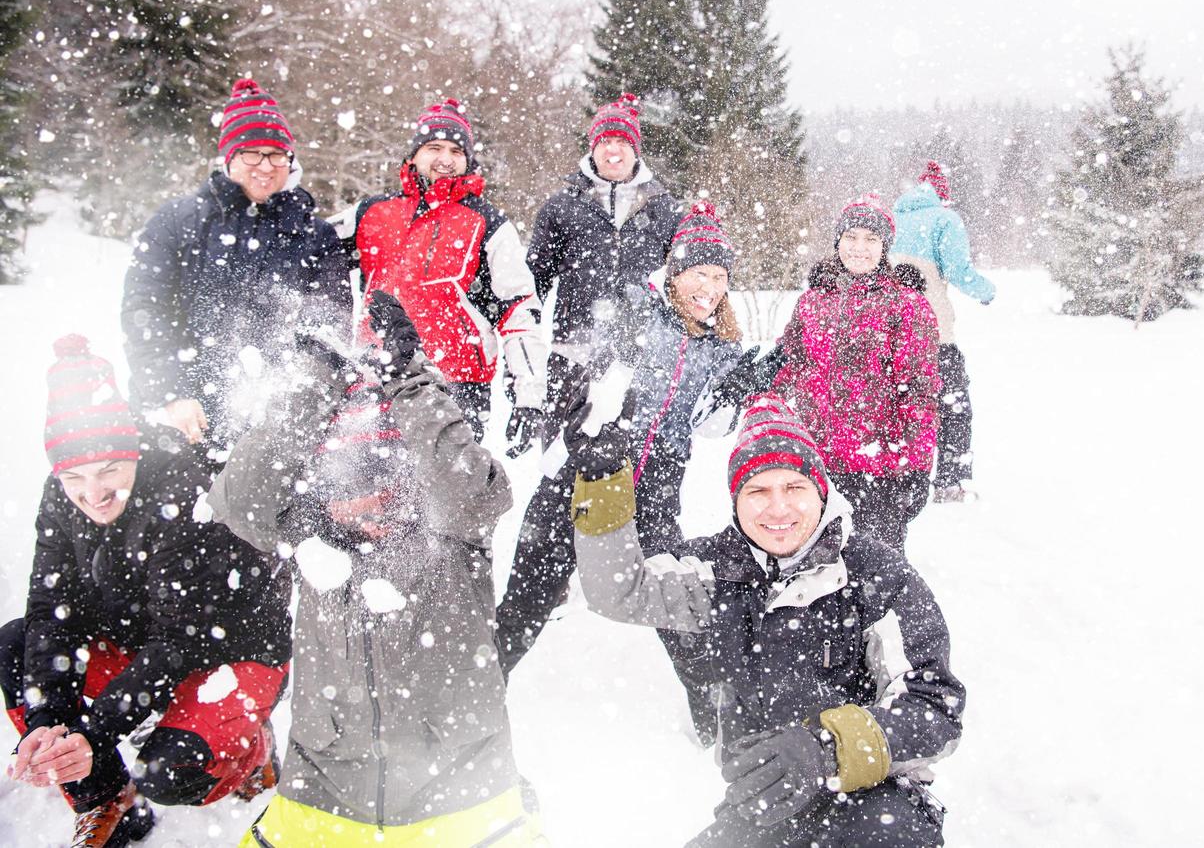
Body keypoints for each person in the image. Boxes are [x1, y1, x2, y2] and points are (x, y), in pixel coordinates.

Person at [207, 292, 546, 846]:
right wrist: (313, 389)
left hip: (462, 794)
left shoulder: (454, 536)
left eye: (391, 479)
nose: (373, 499)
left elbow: (464, 489)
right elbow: (242, 500)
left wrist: (411, 382)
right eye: (354, 479)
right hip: (326, 793)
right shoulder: (313, 543)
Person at [567, 394, 964, 847]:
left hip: (874, 798)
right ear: (737, 500)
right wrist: (601, 480)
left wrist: (823, 751)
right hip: (764, 800)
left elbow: (934, 707)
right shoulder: (714, 570)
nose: (777, 509)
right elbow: (620, 591)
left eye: (794, 488)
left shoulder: (876, 574)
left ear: (821, 490)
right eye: (758, 491)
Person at [498, 204, 781, 737]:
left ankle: (717, 719)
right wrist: (577, 432)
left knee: (675, 601)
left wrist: (737, 389)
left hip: (657, 484)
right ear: (675, 273)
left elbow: (710, 426)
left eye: (720, 277)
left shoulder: (720, 343)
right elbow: (582, 382)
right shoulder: (636, 311)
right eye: (701, 273)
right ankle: (477, 699)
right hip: (587, 472)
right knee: (526, 598)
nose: (712, 288)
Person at [2, 336, 292, 848]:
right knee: (15, 647)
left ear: (131, 451)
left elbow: (182, 639)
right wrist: (50, 725)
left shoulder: (182, 487)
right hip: (145, 643)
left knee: (173, 772)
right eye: (75, 477)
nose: (93, 494)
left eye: (109, 471)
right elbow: (51, 609)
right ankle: (104, 794)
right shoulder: (59, 494)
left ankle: (251, 748)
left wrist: (95, 732)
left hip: (228, 653)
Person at [121, 78, 351, 456]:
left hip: (276, 432)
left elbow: (329, 326)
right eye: (252, 154)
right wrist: (171, 392)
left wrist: (292, 407)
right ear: (229, 156)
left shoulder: (316, 235)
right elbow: (144, 312)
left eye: (276, 154)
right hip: (182, 419)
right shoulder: (177, 221)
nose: (265, 166)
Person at [343, 98, 548, 448]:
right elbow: (307, 246)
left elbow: (519, 311)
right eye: (434, 147)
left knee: (445, 499)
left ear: (467, 159)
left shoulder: (489, 223)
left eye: (456, 150)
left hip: (456, 387)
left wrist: (529, 396)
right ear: (413, 156)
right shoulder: (371, 213)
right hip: (374, 380)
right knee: (363, 497)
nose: (445, 159)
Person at [772, 195, 941, 551]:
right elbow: (791, 364)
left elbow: (920, 391)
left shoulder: (905, 304)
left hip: (881, 470)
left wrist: (916, 465)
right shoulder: (813, 302)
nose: (859, 248)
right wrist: (759, 395)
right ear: (838, 242)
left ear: (885, 247)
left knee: (876, 576)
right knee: (817, 572)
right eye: (851, 237)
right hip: (819, 465)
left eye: (871, 239)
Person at [524, 92, 681, 429]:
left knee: (633, 469)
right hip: (573, 355)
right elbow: (530, 290)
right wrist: (523, 377)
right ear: (592, 147)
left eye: (622, 141)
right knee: (561, 468)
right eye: (605, 140)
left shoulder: (663, 208)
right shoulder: (560, 208)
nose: (613, 149)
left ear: (635, 149)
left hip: (640, 360)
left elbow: (682, 284)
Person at [891, 161, 996, 504]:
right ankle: (950, 482)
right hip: (933, 332)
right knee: (953, 405)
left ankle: (898, 478)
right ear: (941, 195)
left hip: (890, 332)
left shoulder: (892, 220)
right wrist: (986, 291)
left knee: (901, 405)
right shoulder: (944, 220)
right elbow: (957, 269)